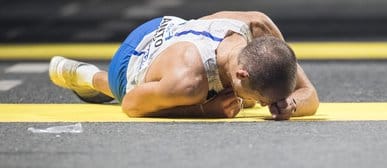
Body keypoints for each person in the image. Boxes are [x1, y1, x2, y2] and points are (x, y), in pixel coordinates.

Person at [49, 11, 319, 120]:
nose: (263, 105)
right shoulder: (190, 82)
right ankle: (89, 77)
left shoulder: (259, 28)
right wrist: (204, 110)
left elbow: (311, 95)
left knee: (238, 99)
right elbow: (131, 105)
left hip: (168, 26)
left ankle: (84, 74)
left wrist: (290, 105)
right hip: (129, 62)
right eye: (262, 100)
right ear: (241, 73)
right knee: (188, 93)